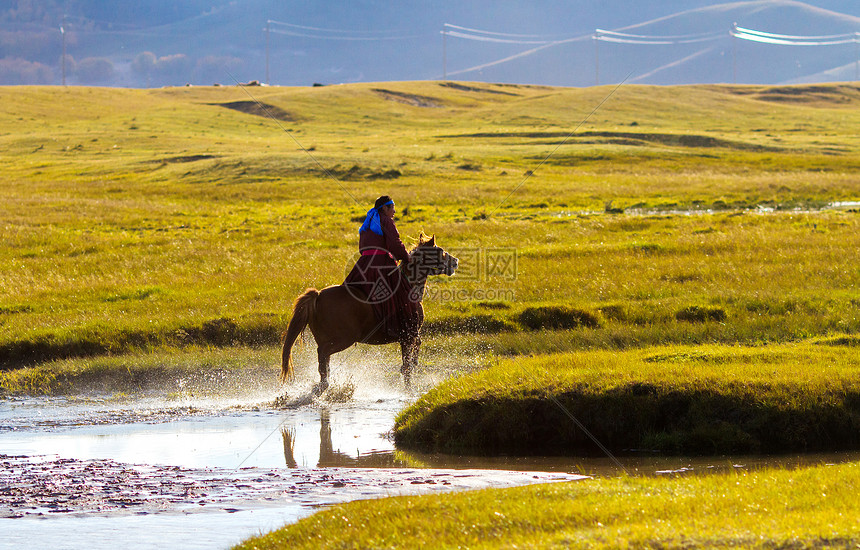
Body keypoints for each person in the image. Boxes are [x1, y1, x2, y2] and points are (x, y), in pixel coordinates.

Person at [343, 195, 419, 340]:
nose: (395, 211)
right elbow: (395, 242)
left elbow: (362, 247)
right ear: (385, 208)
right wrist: (406, 257)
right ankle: (404, 330)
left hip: (364, 263)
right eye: (393, 207)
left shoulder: (368, 222)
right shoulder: (386, 220)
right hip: (381, 262)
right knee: (404, 292)